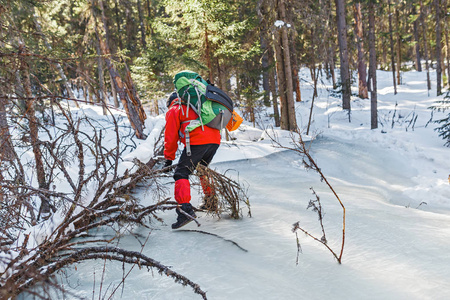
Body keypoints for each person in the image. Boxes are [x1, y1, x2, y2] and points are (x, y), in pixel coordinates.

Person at [164, 92, 220, 229]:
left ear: (171, 102)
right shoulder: (197, 106)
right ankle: (210, 201)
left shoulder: (175, 109)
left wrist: (169, 158)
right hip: (214, 140)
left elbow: (170, 137)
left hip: (197, 141)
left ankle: (185, 210)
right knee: (202, 170)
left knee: (181, 174)